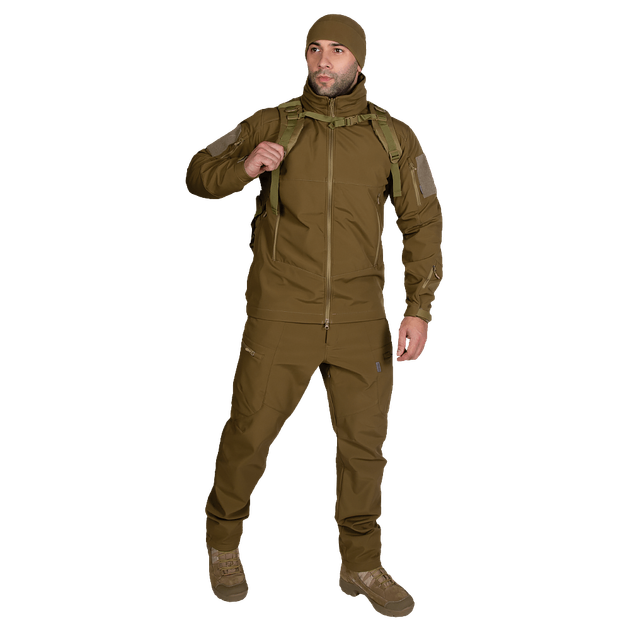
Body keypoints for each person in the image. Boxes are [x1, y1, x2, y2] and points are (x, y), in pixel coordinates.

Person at [186, 13, 443, 619]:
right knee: (249, 433)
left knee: (365, 449)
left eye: (338, 51)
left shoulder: (394, 136)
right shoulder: (269, 122)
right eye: (315, 49)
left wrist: (419, 309)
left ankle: (361, 563)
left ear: (360, 60)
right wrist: (244, 168)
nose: (324, 60)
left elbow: (423, 221)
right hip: (280, 315)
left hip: (362, 322)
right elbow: (198, 172)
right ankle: (223, 546)